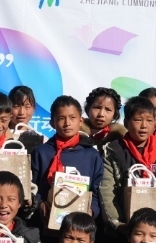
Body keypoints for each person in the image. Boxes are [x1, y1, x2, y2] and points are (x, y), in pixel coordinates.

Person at [100, 96, 156, 240]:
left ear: (155, 123)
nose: (144, 125)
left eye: (149, 120)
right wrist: (117, 223)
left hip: (155, 234)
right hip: (121, 233)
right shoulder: (113, 151)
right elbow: (107, 190)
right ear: (126, 123)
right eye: (138, 120)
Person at [32, 95, 104, 234]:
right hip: (46, 226)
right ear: (52, 123)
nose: (67, 123)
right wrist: (40, 205)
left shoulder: (92, 155)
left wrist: (91, 211)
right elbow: (32, 188)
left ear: (80, 121)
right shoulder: (41, 152)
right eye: (61, 118)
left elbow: (97, 192)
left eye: (72, 118)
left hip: (80, 229)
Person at [8, 85, 46, 150]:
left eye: (27, 107)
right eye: (16, 106)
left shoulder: (41, 140)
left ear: (33, 108)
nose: (21, 112)